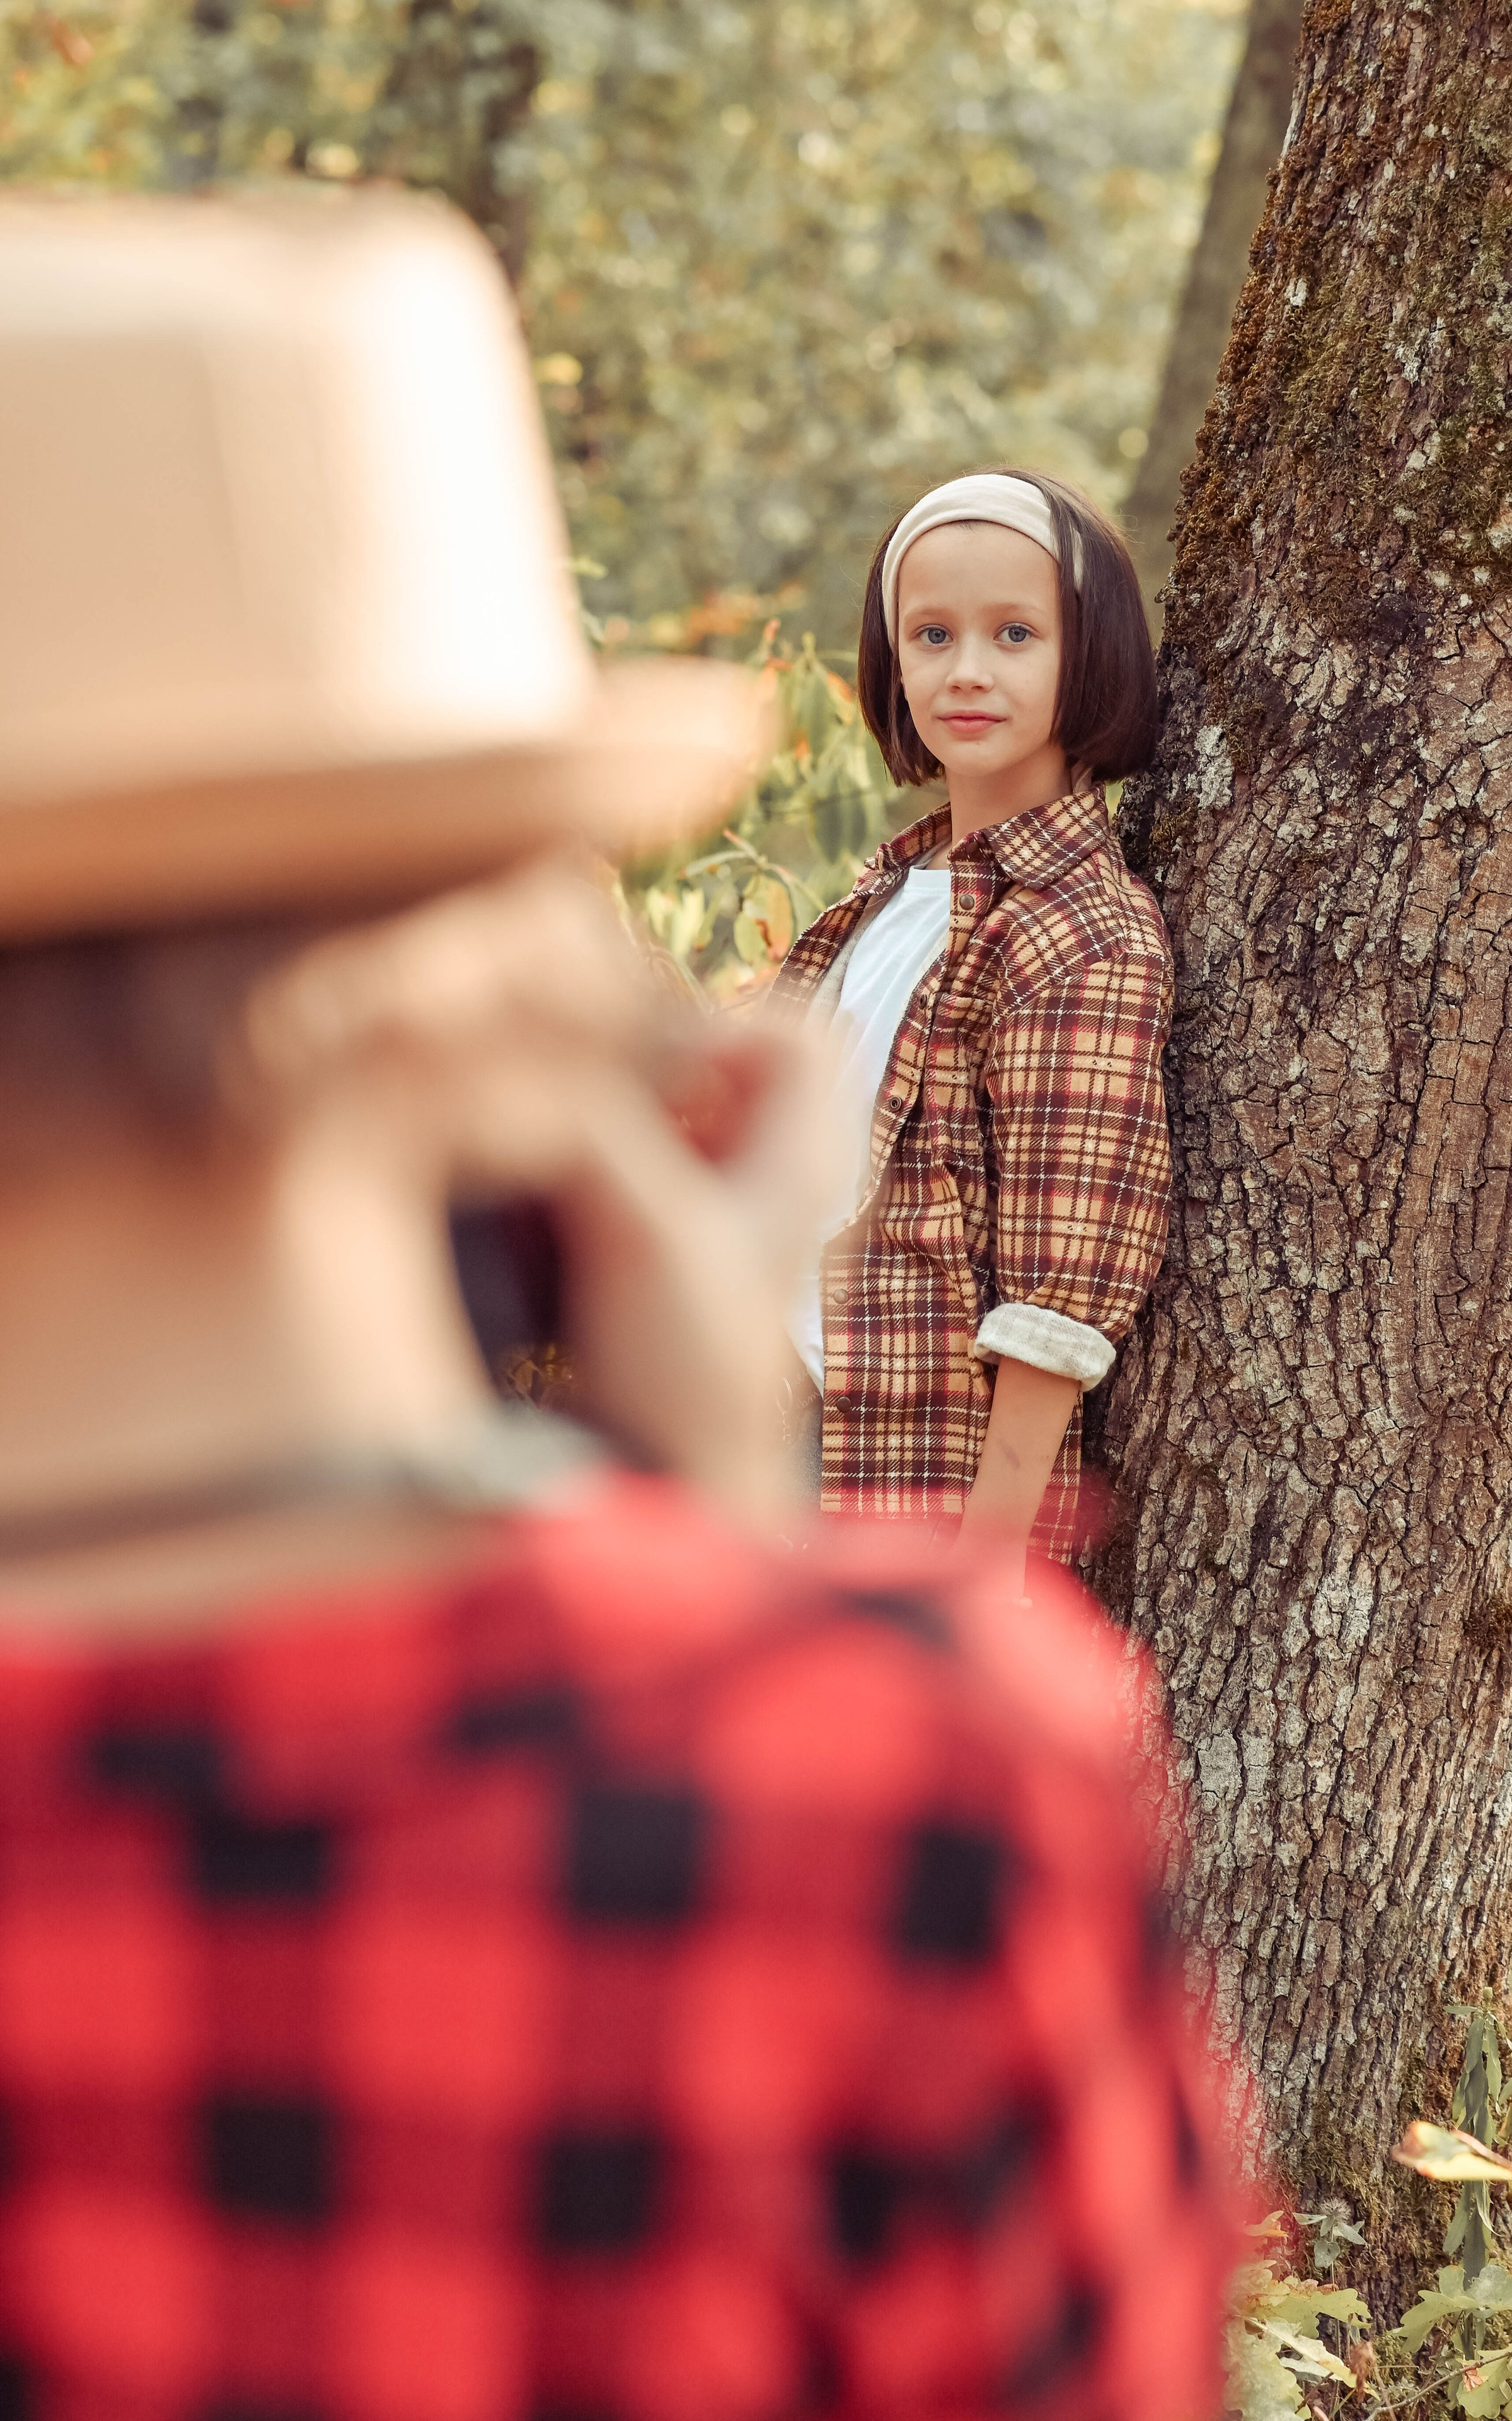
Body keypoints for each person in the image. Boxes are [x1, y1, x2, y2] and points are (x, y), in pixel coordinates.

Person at [0, 195, 1238, 2421]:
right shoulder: (916, 1806)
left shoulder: (1057, 937)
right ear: (489, 999)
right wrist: (746, 1545)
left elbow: (1062, 1263)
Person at [775, 472, 1172, 1596]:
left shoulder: (1082, 932)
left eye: (1015, 634)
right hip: (770, 1419)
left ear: (1085, 653)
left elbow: (1061, 1300)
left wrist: (978, 1593)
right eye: (932, 635)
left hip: (895, 1478)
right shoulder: (890, 892)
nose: (968, 672)